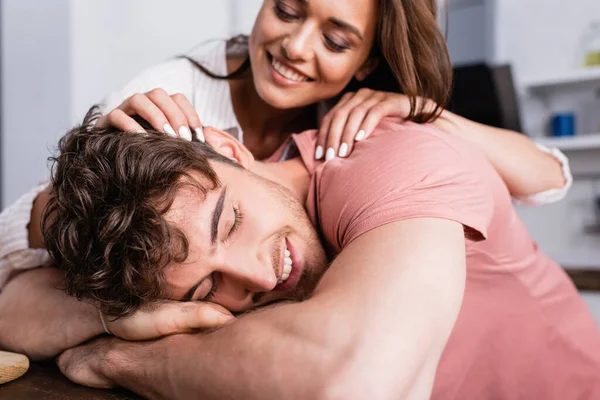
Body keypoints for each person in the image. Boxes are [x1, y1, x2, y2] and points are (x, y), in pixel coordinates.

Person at [0, 0, 573, 293]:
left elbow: (548, 178)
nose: (295, 47)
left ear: (366, 61)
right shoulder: (169, 96)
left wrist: (424, 113)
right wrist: (103, 159)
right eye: (287, 10)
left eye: (334, 39)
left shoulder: (364, 122)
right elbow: (27, 236)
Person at [38, 111, 598, 399]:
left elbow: (348, 383)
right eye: (206, 290)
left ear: (231, 150)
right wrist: (116, 315)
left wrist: (116, 359)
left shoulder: (396, 162)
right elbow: (14, 303)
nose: (259, 275)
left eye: (228, 223)